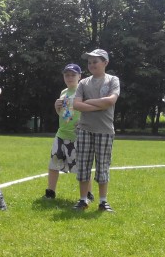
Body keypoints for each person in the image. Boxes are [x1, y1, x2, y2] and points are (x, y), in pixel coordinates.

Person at [72, 49, 120, 212]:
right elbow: (76, 105)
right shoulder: (83, 83)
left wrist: (89, 102)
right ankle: (83, 200)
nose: (92, 65)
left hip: (105, 130)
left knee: (103, 166)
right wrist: (99, 105)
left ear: (105, 63)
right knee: (83, 166)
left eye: (95, 62)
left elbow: (111, 101)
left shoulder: (113, 80)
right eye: (89, 62)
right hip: (84, 129)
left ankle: (103, 202)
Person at [45, 63, 93, 201]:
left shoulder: (83, 91)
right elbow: (63, 114)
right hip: (61, 134)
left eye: (73, 75)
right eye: (67, 75)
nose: (70, 77)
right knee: (54, 164)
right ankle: (50, 192)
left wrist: (83, 122)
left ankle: (88, 194)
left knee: (82, 167)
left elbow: (90, 110)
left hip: (77, 136)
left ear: (79, 76)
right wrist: (56, 107)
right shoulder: (64, 92)